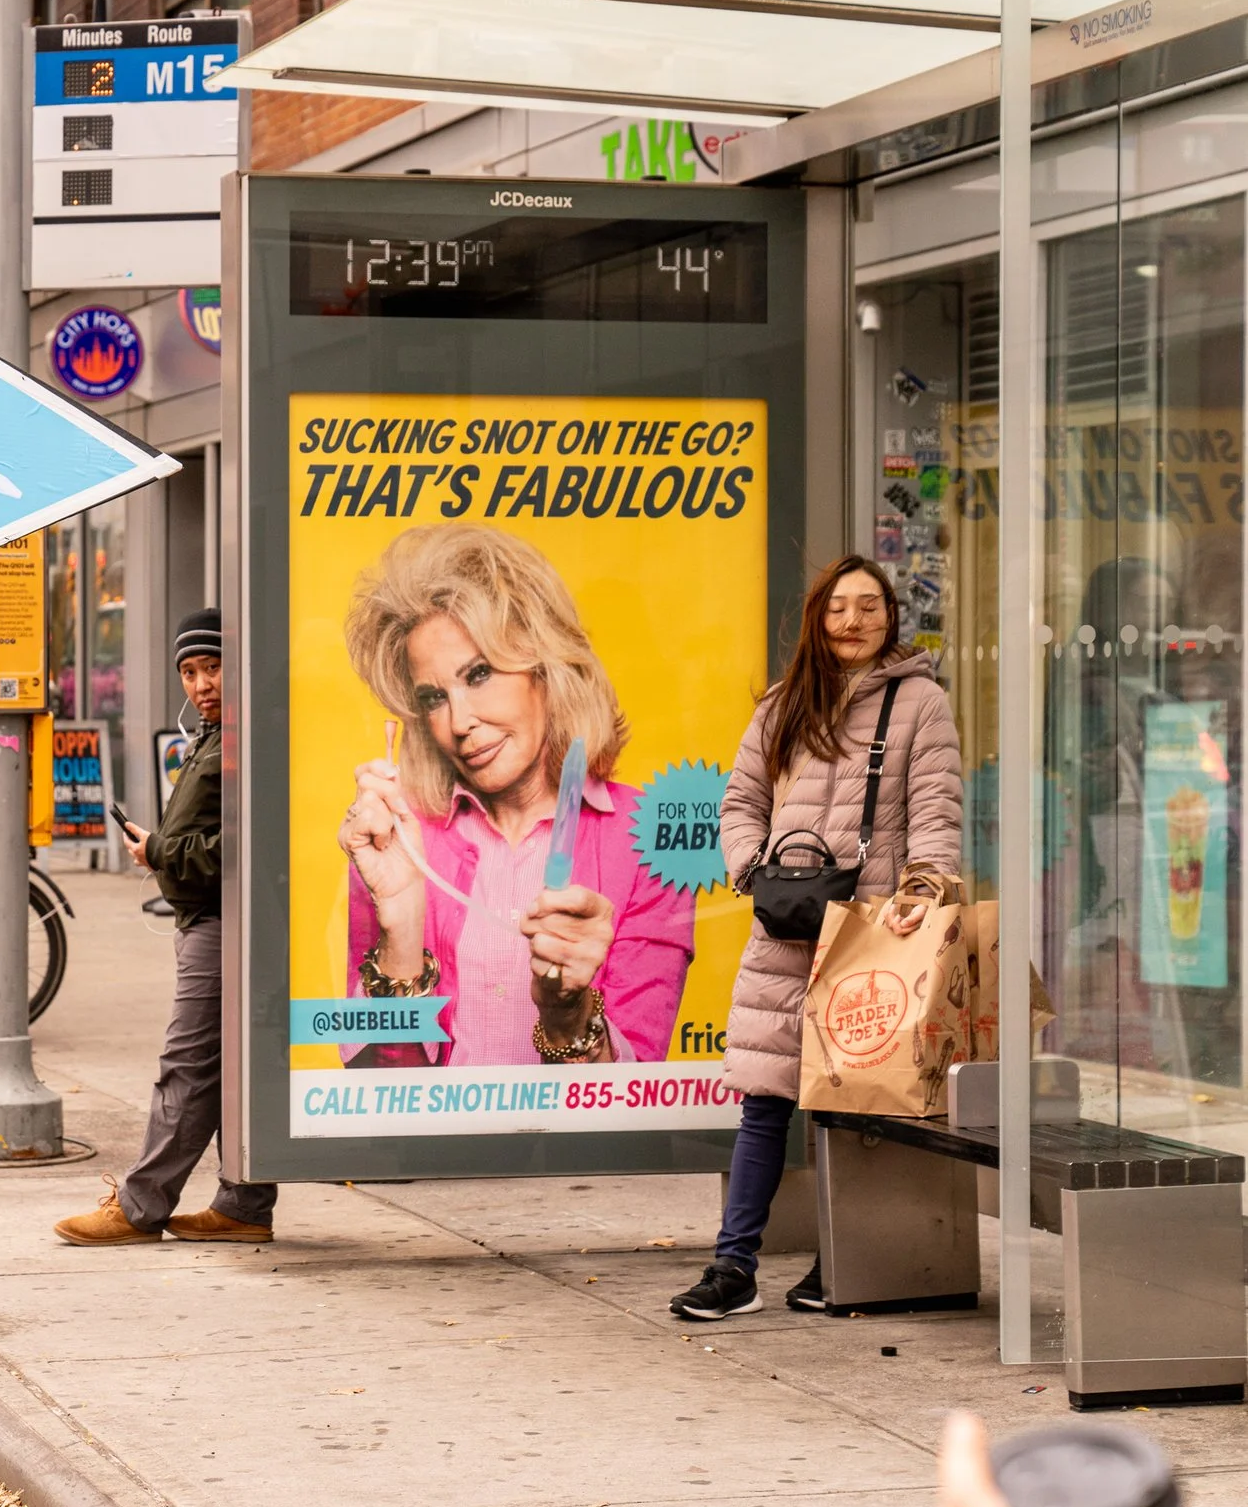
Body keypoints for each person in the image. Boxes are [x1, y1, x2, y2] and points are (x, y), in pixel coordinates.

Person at [671, 554, 960, 1321]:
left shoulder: (920, 704)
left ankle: (846, 1265)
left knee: (857, 1105)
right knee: (765, 1100)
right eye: (838, 608)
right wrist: (751, 869)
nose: (853, 622)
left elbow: (936, 809)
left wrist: (924, 890)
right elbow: (741, 802)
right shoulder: (782, 704)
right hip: (786, 924)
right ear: (817, 618)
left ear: (890, 618)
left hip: (873, 930)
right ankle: (733, 1268)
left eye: (870, 607)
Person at [336, 525, 693, 1067]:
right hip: (437, 1152)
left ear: (545, 667)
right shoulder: (400, 840)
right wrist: (402, 930)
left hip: (579, 1154)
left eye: (479, 674)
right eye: (435, 697)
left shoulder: (647, 841)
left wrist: (567, 1013)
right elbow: (372, 1080)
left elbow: (635, 1093)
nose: (459, 722)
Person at [54, 608, 277, 1247]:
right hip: (208, 916)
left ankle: (141, 1206)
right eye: (190, 671)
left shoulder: (247, 736)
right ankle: (244, 1202)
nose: (202, 683)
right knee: (235, 1068)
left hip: (222, 921)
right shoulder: (215, 733)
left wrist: (159, 852)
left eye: (214, 667)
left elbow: (241, 844)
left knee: (187, 1065)